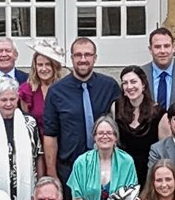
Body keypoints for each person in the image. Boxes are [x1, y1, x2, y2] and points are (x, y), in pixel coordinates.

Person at [40, 37, 118, 182]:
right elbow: (50, 134)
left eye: (87, 55)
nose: (83, 59)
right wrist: (52, 173)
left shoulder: (110, 87)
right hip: (69, 169)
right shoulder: (56, 91)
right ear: (71, 58)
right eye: (78, 55)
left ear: (95, 58)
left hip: (105, 166)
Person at [64, 117, 137, 200]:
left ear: (115, 137)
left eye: (109, 133)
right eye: (100, 133)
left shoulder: (127, 162)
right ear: (94, 136)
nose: (105, 136)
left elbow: (129, 198)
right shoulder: (81, 162)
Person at [0, 81, 40, 200]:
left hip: (25, 185)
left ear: (18, 98)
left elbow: (38, 155)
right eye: (3, 100)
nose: (8, 104)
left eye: (12, 99)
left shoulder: (29, 123)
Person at [110, 65, 162, 175]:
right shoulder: (116, 107)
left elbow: (164, 150)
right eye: (125, 83)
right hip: (123, 171)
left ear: (143, 84)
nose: (129, 86)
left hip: (149, 172)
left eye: (133, 82)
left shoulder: (159, 113)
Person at [19, 44, 64, 128]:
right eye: (40, 65)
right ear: (35, 67)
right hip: (37, 138)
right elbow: (27, 122)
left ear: (55, 66)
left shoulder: (65, 88)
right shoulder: (27, 90)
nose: (43, 69)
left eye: (48, 64)